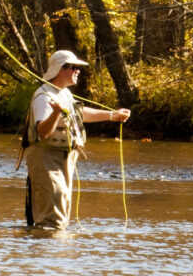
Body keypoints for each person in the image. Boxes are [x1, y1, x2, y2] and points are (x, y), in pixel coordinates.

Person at [23, 50, 131, 231]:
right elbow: (42, 131)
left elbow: (79, 114)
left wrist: (113, 115)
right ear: (60, 69)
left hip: (64, 159)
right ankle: (46, 254)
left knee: (61, 213)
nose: (77, 71)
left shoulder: (64, 94)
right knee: (52, 218)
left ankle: (55, 252)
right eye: (73, 67)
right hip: (46, 158)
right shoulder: (44, 97)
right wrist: (56, 113)